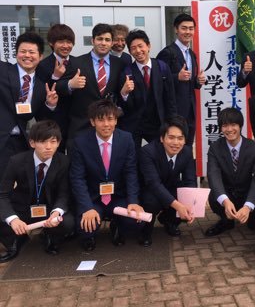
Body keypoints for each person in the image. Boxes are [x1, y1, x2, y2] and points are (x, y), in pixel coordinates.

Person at [69, 100, 143, 251]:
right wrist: (86, 207)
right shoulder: (80, 143)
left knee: (136, 221)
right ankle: (89, 236)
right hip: (94, 198)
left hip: (117, 196)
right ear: (92, 122)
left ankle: (117, 225)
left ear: (116, 120)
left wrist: (133, 201)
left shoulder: (126, 139)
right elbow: (77, 178)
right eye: (101, 120)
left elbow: (131, 172)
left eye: (110, 119)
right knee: (84, 228)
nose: (106, 124)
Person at [0, 120, 74, 262]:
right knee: (4, 216)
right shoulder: (16, 161)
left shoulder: (63, 161)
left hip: (49, 208)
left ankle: (50, 236)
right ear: (32, 143)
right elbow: (2, 194)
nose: (48, 147)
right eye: (43, 142)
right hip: (23, 208)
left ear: (59, 143)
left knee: (68, 222)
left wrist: (56, 212)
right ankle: (15, 241)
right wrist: (13, 219)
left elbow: (64, 193)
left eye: (53, 142)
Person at [0, 32, 58, 179]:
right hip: (2, 139)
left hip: (22, 143)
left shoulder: (41, 85)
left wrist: (50, 105)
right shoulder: (3, 70)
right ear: (16, 53)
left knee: (18, 184)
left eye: (32, 52)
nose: (27, 55)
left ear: (40, 56)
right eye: (23, 51)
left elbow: (40, 117)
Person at [57, 23, 125, 144]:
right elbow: (58, 87)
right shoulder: (76, 62)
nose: (103, 43)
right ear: (93, 40)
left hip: (108, 128)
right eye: (99, 39)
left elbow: (121, 94)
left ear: (112, 43)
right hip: (81, 127)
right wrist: (70, 84)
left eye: (107, 40)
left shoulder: (120, 64)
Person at [205, 108, 255, 236]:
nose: (229, 129)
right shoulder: (215, 148)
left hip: (247, 195)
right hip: (228, 194)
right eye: (225, 125)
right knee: (215, 197)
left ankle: (251, 217)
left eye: (233, 125)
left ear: (240, 126)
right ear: (221, 128)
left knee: (254, 223)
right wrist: (225, 201)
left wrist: (248, 206)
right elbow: (213, 175)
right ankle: (226, 221)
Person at [139, 116, 197, 246]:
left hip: (170, 186)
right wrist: (179, 206)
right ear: (162, 138)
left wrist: (192, 203)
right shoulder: (147, 152)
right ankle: (145, 231)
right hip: (150, 190)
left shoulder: (187, 152)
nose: (176, 142)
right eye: (171, 137)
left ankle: (168, 221)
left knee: (186, 199)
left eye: (180, 138)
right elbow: (153, 184)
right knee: (151, 202)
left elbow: (190, 180)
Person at [119, 29, 177, 152]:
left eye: (141, 46)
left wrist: (172, 123)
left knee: (160, 155)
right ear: (129, 51)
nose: (138, 51)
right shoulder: (127, 72)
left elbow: (170, 99)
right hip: (134, 124)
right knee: (132, 157)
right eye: (133, 48)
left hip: (157, 122)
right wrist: (124, 93)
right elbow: (125, 106)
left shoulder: (162, 67)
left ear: (148, 46)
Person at [156, 13, 206, 145]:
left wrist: (197, 81)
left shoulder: (191, 54)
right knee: (173, 147)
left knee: (188, 147)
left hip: (190, 110)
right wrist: (176, 77)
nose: (188, 32)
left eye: (191, 28)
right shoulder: (167, 53)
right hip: (174, 111)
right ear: (176, 29)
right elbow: (157, 80)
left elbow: (189, 82)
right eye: (184, 28)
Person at [36, 24, 77, 152]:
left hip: (75, 122)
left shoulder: (79, 62)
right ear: (51, 43)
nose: (65, 46)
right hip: (53, 122)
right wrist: (55, 76)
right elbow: (40, 94)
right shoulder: (42, 65)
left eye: (69, 42)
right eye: (61, 41)